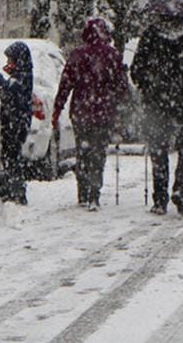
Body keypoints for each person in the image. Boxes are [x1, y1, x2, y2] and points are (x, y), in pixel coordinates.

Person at [131, 13, 183, 218]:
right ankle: (181, 190)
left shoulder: (151, 34)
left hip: (157, 101)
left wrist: (148, 82)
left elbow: (136, 70)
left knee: (158, 149)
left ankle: (160, 198)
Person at [52, 18, 128, 211]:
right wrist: (120, 108)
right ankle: (94, 192)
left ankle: (83, 192)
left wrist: (58, 108)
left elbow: (65, 84)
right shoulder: (112, 55)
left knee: (83, 151)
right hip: (104, 112)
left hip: (81, 111)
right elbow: (122, 87)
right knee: (98, 153)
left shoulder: (78, 55)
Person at [0, 42, 33, 206]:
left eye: (10, 60)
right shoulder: (19, 75)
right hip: (14, 121)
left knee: (12, 156)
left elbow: (8, 91)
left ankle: (17, 192)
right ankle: (12, 189)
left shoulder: (22, 77)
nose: (8, 64)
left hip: (17, 122)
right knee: (9, 156)